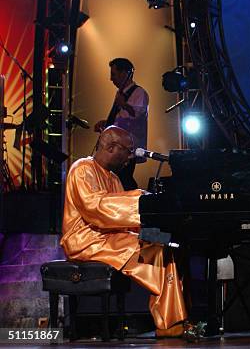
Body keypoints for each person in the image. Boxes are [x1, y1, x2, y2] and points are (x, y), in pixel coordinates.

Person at [60, 126, 187, 337]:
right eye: (128, 151)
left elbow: (123, 222)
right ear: (110, 147)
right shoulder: (82, 168)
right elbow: (95, 207)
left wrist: (158, 228)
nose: (130, 157)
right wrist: (140, 199)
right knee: (157, 250)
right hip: (86, 240)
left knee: (170, 243)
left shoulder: (113, 178)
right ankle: (168, 324)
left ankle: (177, 316)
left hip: (111, 236)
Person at [94, 58, 148, 190]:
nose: (111, 79)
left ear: (125, 73)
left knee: (124, 179)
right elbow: (122, 119)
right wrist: (106, 123)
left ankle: (135, 203)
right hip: (117, 147)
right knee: (117, 180)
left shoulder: (139, 92)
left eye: (114, 74)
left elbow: (137, 115)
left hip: (127, 148)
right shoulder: (120, 94)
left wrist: (123, 104)